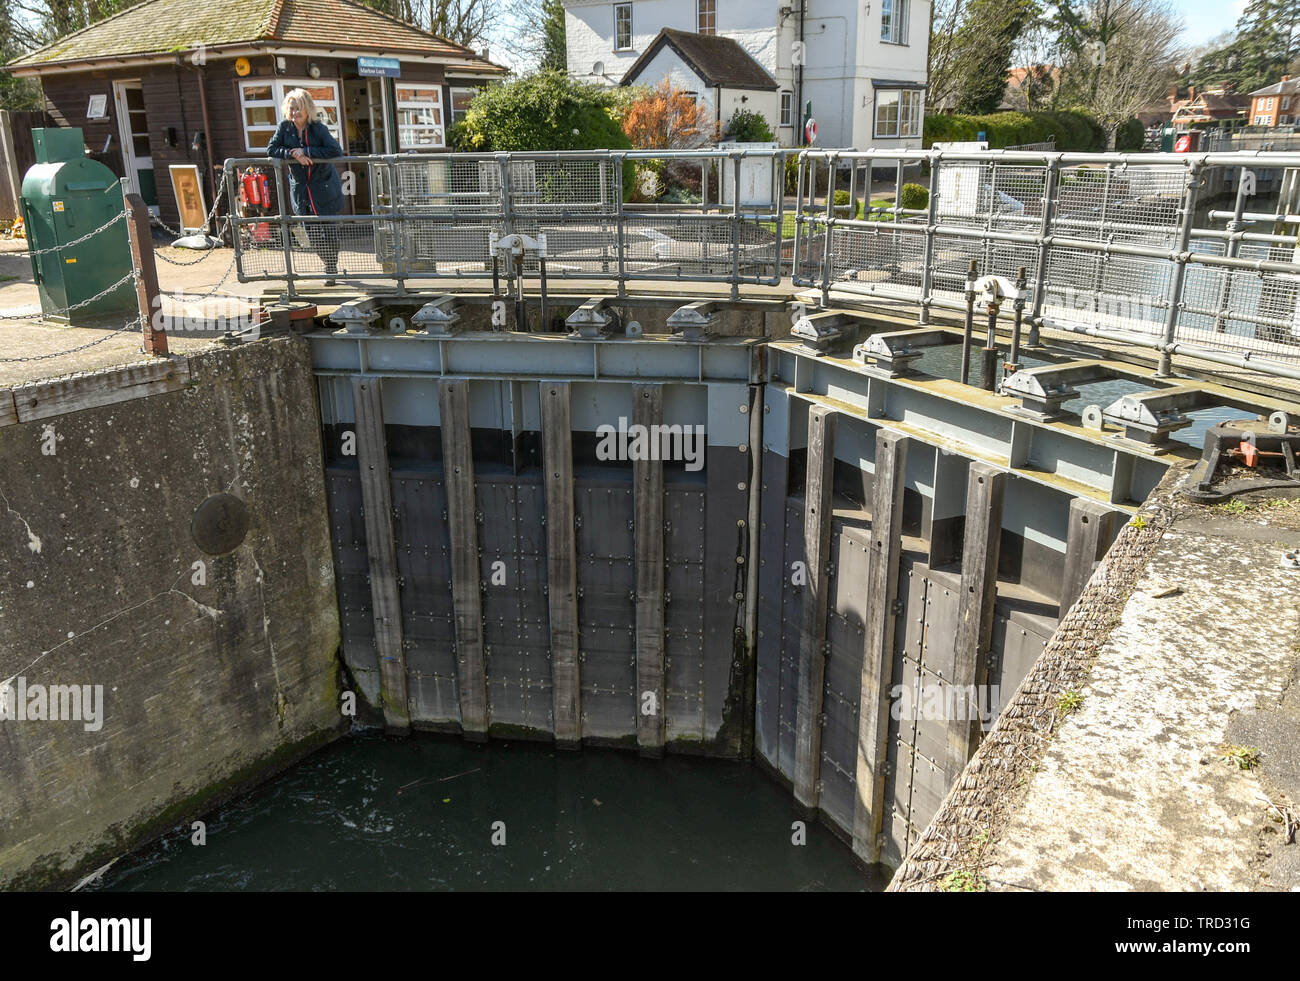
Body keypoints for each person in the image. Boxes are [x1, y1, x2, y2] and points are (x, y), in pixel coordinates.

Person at [267, 88, 344, 285]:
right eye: (291, 109)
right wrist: (292, 153)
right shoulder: (284, 128)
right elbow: (272, 149)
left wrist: (307, 150)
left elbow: (335, 150)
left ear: (307, 110)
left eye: (298, 109)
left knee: (329, 232)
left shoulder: (318, 128)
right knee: (311, 233)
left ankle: (331, 267)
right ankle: (328, 263)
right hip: (301, 190)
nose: (294, 114)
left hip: (323, 187)